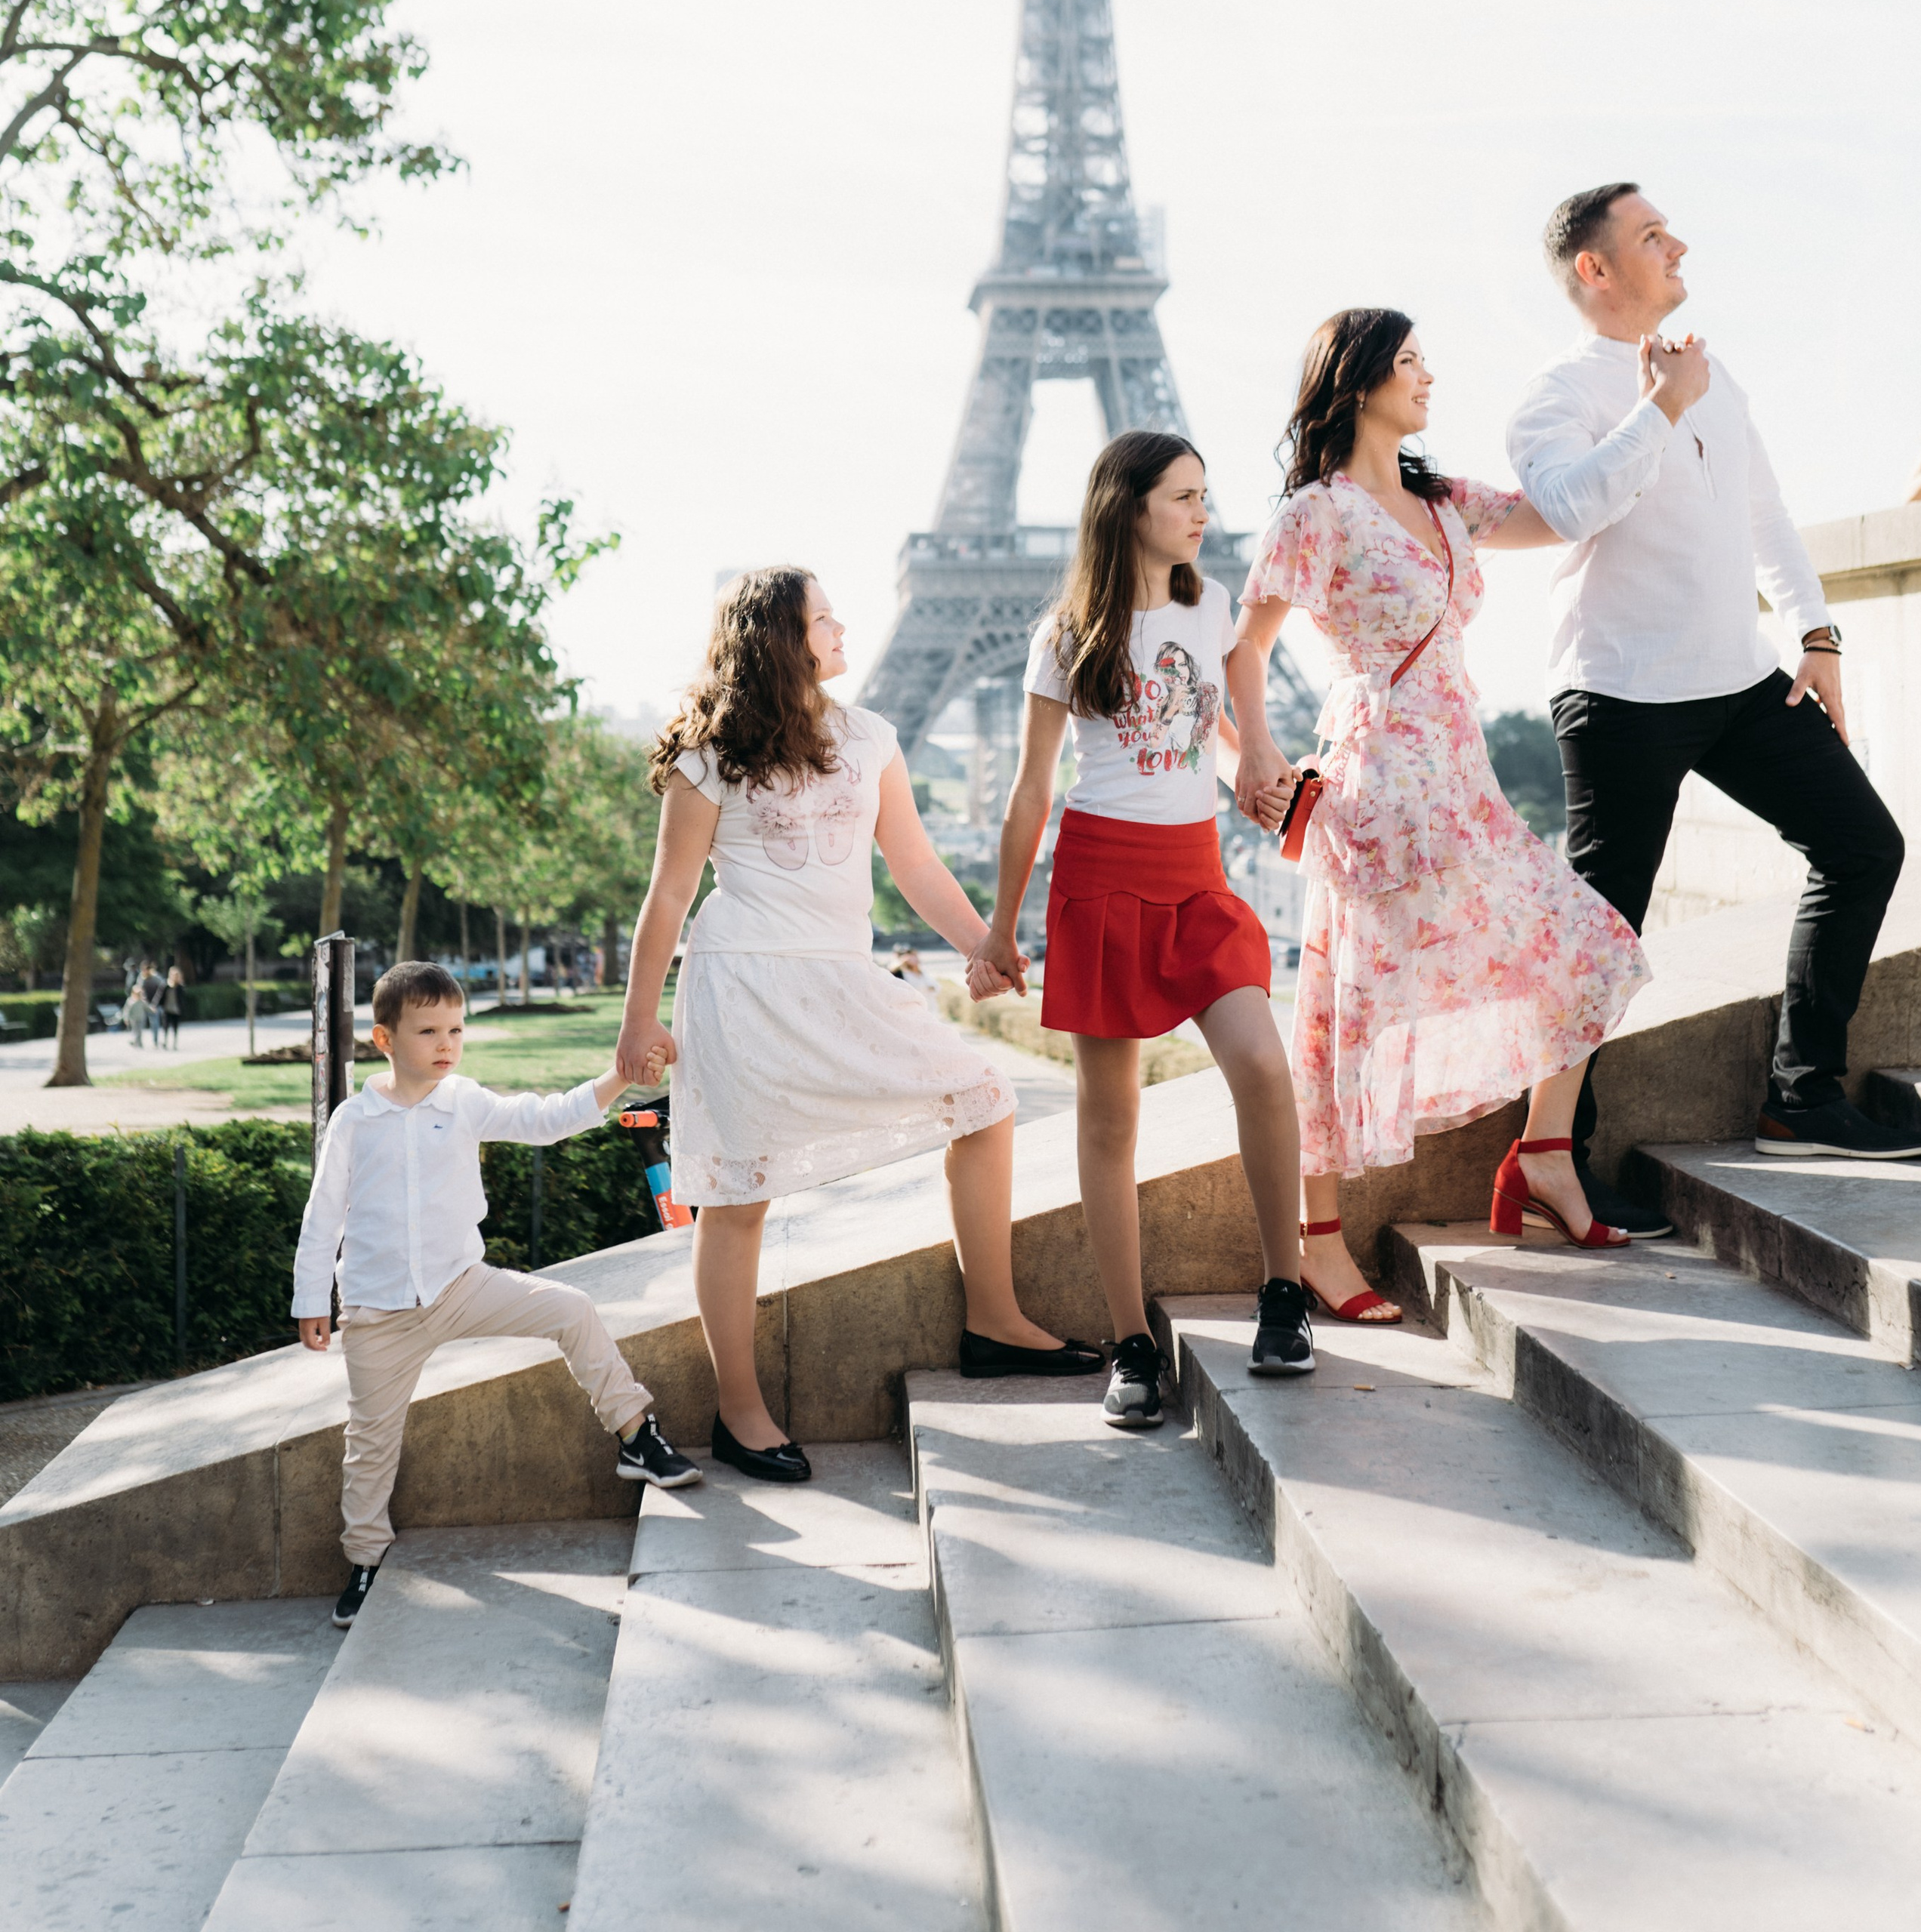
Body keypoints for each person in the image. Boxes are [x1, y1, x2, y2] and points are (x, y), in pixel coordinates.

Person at [614, 567, 1096, 1490]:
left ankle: (993, 1320)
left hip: (842, 980)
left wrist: (985, 945)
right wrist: (637, 1021)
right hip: (744, 987)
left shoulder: (870, 737)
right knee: (738, 1196)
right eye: (823, 619)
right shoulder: (707, 752)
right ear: (777, 639)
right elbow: (669, 894)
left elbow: (910, 862)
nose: (842, 629)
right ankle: (739, 1411)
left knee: (985, 1099)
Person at [1507, 186, 1913, 1225]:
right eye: (1650, 235)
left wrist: (1816, 634)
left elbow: (1764, 512)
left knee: (1865, 845)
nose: (1678, 242)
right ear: (1594, 270)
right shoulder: (1557, 394)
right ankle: (1560, 1150)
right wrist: (1661, 408)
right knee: (1603, 929)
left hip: (1741, 679)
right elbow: (1565, 507)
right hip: (1621, 691)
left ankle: (1802, 1089)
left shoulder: (1713, 371)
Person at [1230, 311, 1651, 1293]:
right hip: (1377, 787)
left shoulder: (1441, 494)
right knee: (1349, 1017)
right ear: (1360, 376)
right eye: (1410, 360)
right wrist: (1259, 757)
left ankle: (1544, 1156)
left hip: (1465, 785)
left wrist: (1653, 417)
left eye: (1426, 360)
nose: (1429, 376)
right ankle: (1319, 1239)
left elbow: (1564, 515)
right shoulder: (1317, 513)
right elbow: (1243, 650)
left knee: (1591, 958)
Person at [970, 430, 1315, 1431]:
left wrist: (1256, 763)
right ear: (1130, 507)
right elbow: (1032, 793)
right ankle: (1129, 1345)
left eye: (1206, 494)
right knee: (1109, 1123)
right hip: (1103, 878)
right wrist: (1001, 927)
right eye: (1184, 496)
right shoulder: (1066, 636)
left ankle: (1282, 1294)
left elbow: (1227, 705)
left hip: (1195, 877)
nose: (1204, 512)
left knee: (1261, 1064)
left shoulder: (1215, 611)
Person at [293, 960, 699, 1632]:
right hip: (377, 1315)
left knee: (572, 1309)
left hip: (463, 1287)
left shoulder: (464, 1102)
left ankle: (636, 1436)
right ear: (385, 1040)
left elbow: (544, 1119)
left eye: (455, 1028)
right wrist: (311, 1299)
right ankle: (366, 1559)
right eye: (428, 1031)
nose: (446, 1043)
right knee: (370, 1442)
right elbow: (321, 1216)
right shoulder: (354, 1122)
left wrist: (618, 1079)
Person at [160, 965, 184, 1050]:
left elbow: (182, 999)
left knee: (175, 1028)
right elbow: (159, 996)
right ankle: (165, 1042)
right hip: (167, 1009)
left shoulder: (180, 987)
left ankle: (174, 1044)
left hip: (176, 1009)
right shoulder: (165, 985)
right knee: (165, 1027)